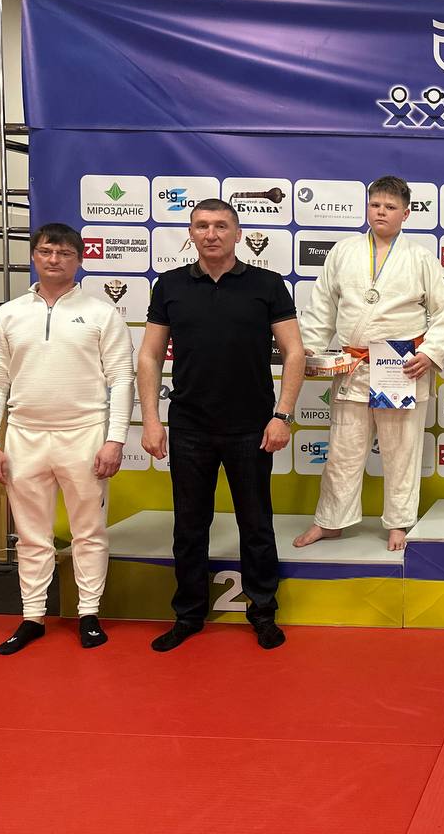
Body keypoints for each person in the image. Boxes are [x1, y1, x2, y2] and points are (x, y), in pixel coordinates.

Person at [139, 198, 305, 652]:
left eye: (220, 226)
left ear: (237, 233)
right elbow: (150, 356)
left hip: (252, 427)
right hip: (189, 426)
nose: (211, 234)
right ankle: (189, 615)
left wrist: (282, 415)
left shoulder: (267, 284)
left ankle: (263, 613)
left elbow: (294, 352)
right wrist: (151, 420)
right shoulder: (170, 285)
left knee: (256, 525)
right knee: (189, 527)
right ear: (191, 233)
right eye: (201, 226)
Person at [0, 223, 134, 654]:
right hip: (24, 436)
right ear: (34, 255)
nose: (54, 260)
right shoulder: (9, 314)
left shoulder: (101, 313)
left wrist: (115, 439)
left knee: (89, 532)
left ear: (79, 260)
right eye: (46, 251)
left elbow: (122, 378)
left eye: (64, 253)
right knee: (31, 536)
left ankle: (89, 614)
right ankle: (32, 617)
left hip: (85, 435)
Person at [294, 176, 444, 552]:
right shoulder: (344, 251)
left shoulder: (420, 257)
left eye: (390, 207)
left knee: (402, 450)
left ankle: (399, 522)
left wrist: (430, 352)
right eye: (375, 205)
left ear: (406, 214)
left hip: (401, 366)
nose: (381, 212)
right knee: (342, 451)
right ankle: (330, 521)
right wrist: (311, 350)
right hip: (353, 364)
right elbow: (322, 306)